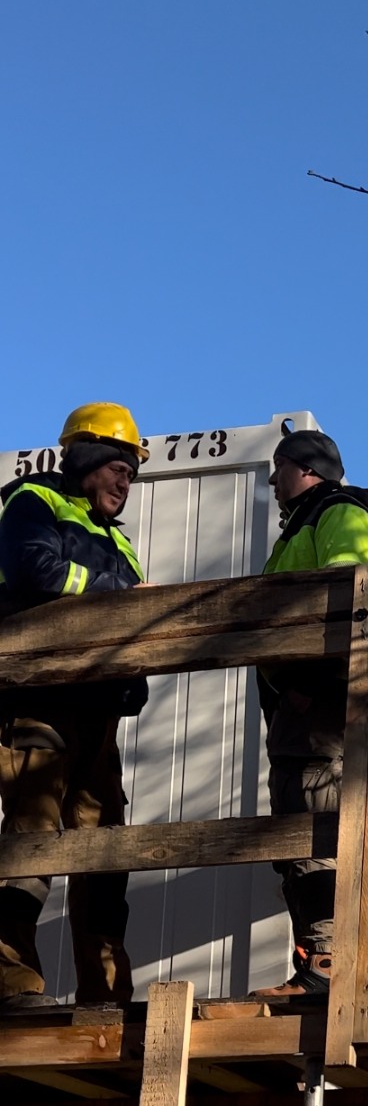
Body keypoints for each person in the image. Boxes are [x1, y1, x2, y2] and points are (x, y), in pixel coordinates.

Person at [0, 403, 150, 1009]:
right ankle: (9, 981)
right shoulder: (34, 500)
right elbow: (35, 569)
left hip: (97, 719)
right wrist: (118, 595)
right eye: (118, 466)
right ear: (85, 457)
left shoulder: (123, 544)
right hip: (39, 702)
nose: (125, 483)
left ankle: (107, 994)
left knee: (105, 852)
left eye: (132, 475)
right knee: (32, 838)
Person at [254, 428, 368, 997]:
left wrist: (309, 683)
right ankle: (322, 961)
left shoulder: (337, 514)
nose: (271, 479)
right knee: (301, 833)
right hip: (304, 709)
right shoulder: (308, 524)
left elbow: (353, 601)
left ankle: (327, 966)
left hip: (320, 707)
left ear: (305, 467)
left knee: (313, 827)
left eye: (278, 466)